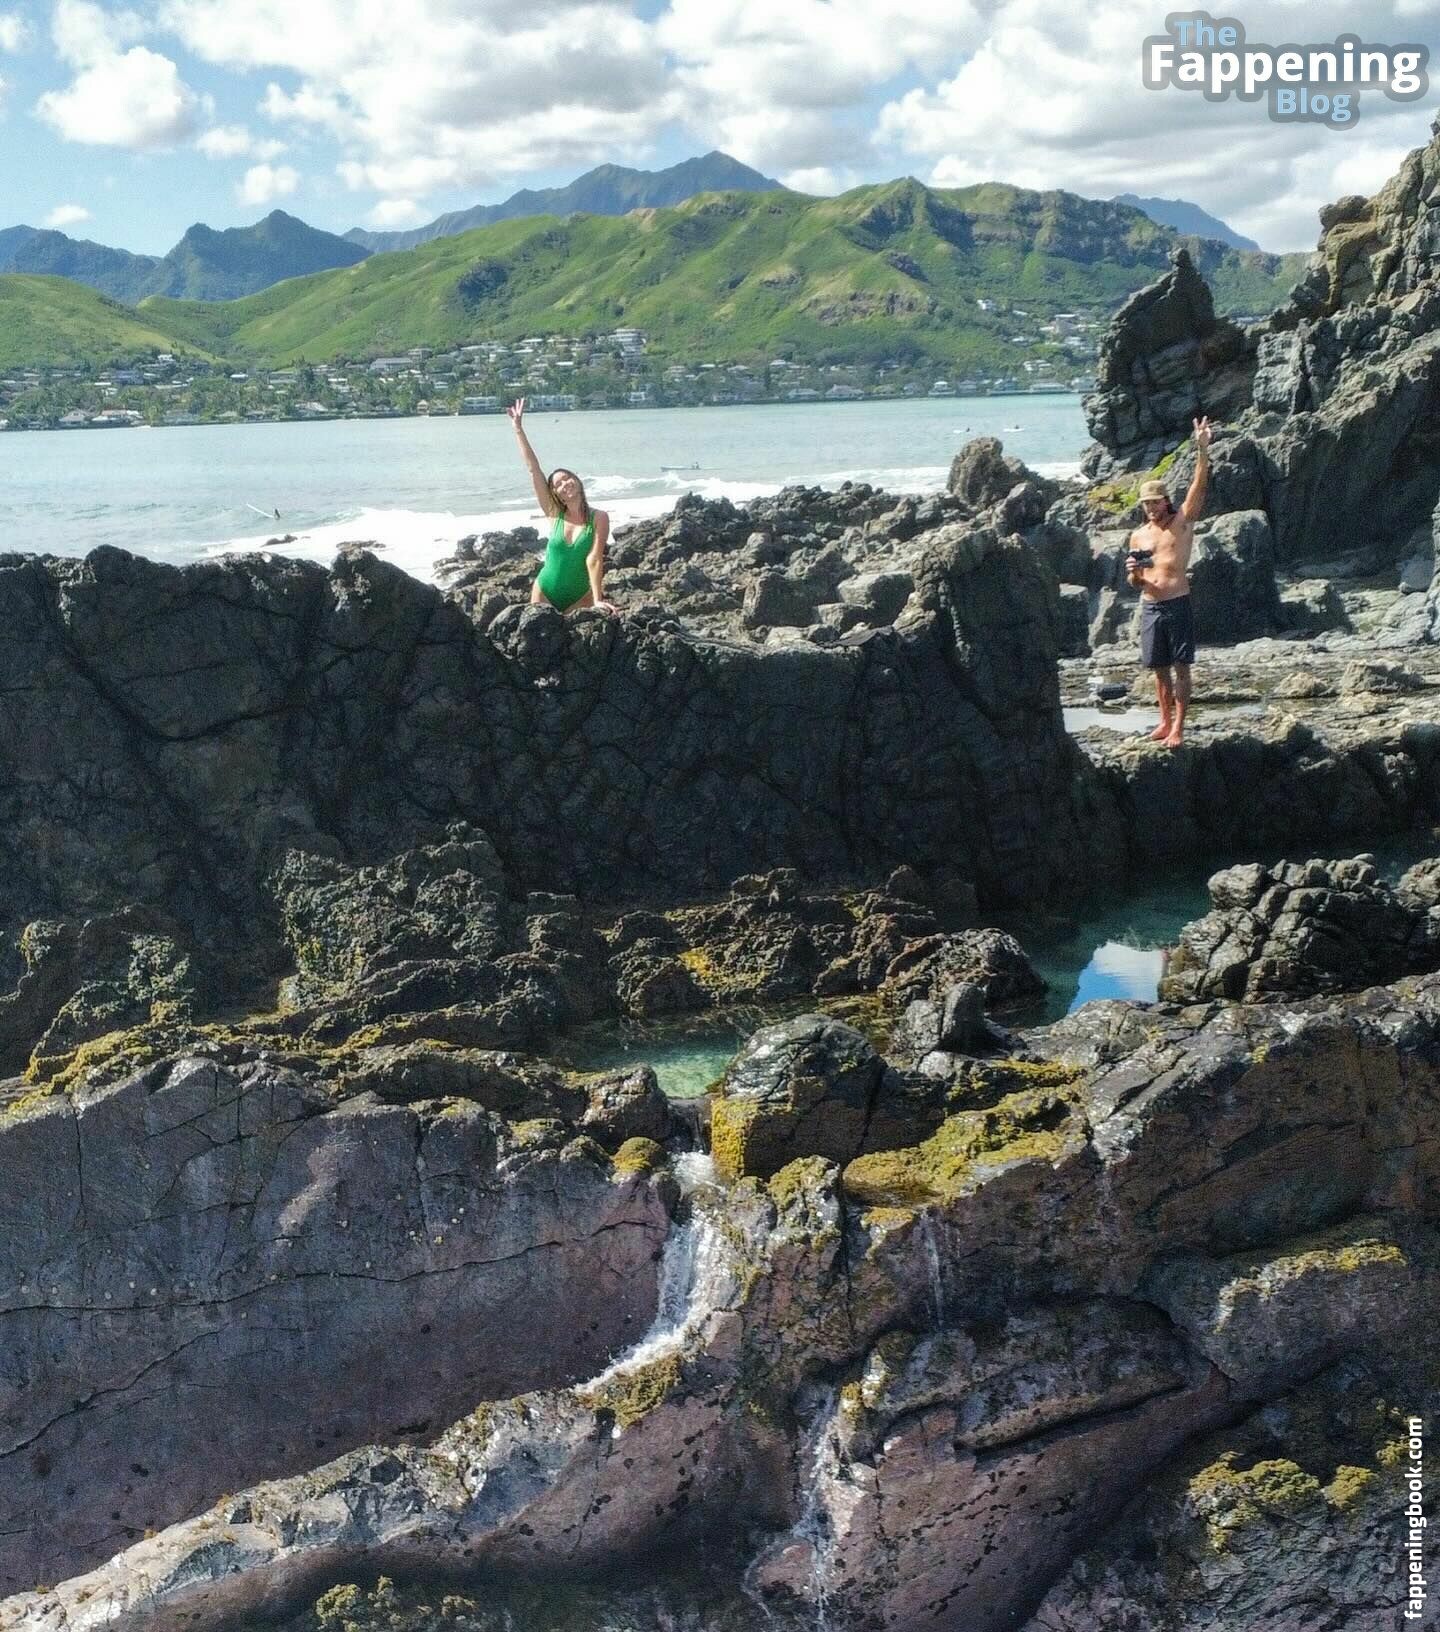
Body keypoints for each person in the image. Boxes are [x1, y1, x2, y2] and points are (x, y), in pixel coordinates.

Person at [1125, 416, 1212, 748]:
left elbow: (1198, 487)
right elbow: (1135, 582)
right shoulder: (1138, 535)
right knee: (1159, 670)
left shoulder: (1181, 522)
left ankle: (1178, 727)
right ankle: (1163, 722)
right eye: (1146, 503)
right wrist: (1134, 572)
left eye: (1155, 502)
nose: (1150, 508)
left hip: (1177, 603)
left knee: (1181, 668)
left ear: (1166, 501)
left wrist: (1202, 449)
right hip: (1150, 606)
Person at [507, 398, 616, 615]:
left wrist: (598, 599)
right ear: (555, 493)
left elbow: (594, 558)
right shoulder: (553, 513)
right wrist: (518, 428)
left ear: (577, 480)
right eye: (558, 484)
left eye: (567, 478)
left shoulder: (599, 518)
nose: (564, 484)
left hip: (580, 596)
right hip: (544, 591)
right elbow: (533, 469)